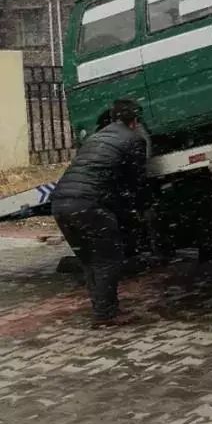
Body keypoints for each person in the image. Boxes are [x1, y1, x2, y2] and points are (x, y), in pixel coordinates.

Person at [52, 99, 150, 328]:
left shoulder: (95, 137)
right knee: (109, 259)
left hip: (60, 203)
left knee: (89, 260)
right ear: (135, 121)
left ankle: (101, 310)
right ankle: (106, 315)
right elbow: (136, 181)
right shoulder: (134, 139)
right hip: (89, 204)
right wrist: (140, 209)